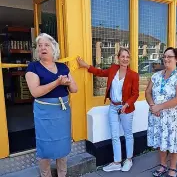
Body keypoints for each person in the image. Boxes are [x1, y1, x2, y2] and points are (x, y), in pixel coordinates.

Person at [77, 48, 139, 172]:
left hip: (126, 108)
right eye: (123, 56)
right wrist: (86, 66)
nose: (125, 59)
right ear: (118, 57)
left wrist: (126, 105)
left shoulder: (133, 75)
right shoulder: (113, 69)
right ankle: (117, 162)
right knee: (114, 135)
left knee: (128, 134)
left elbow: (135, 94)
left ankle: (129, 160)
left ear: (129, 59)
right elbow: (99, 72)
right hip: (113, 107)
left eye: (127, 57)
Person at [25, 33, 78, 177]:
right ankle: (45, 175)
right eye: (40, 45)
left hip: (62, 112)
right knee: (45, 146)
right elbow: (35, 92)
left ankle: (62, 174)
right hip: (44, 113)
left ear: (54, 48)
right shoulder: (33, 67)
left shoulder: (63, 67)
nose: (43, 48)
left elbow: (74, 89)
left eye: (46, 45)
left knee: (62, 143)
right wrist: (57, 82)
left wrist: (69, 82)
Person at [145, 47, 177, 177]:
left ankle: (173, 167)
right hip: (157, 116)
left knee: (174, 142)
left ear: (176, 59)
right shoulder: (156, 76)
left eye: (169, 56)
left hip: (174, 119)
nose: (166, 59)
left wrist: (160, 107)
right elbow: (148, 92)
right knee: (160, 141)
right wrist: (153, 106)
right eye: (164, 56)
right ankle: (163, 164)